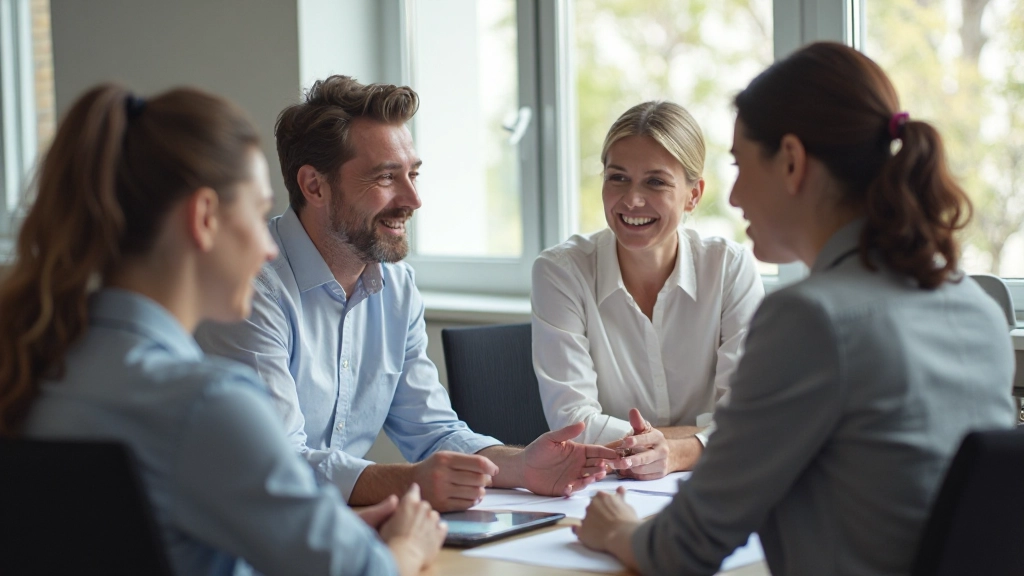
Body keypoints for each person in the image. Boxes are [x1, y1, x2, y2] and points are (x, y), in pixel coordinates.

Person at [574, 42, 1017, 575]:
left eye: (740, 165)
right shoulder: (975, 306)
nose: (734, 197)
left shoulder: (810, 320)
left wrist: (616, 529)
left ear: (791, 161)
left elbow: (684, 547)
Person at [0, 84, 447, 576]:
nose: (270, 248)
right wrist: (407, 546)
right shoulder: (208, 404)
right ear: (205, 219)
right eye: (257, 214)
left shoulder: (35, 365)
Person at [195, 75, 624, 512]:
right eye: (386, 177)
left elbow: (433, 431)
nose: (414, 199)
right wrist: (411, 481)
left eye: (413, 174)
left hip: (332, 523)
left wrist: (520, 466)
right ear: (314, 186)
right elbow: (276, 464)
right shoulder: (248, 287)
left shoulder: (396, 287)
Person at [531, 101, 764, 479]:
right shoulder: (561, 271)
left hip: (714, 482)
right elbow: (574, 424)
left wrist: (678, 453)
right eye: (617, 177)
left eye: (655, 182)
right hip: (606, 486)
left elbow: (750, 416)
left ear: (693, 194)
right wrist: (700, 437)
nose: (632, 200)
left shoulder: (729, 268)